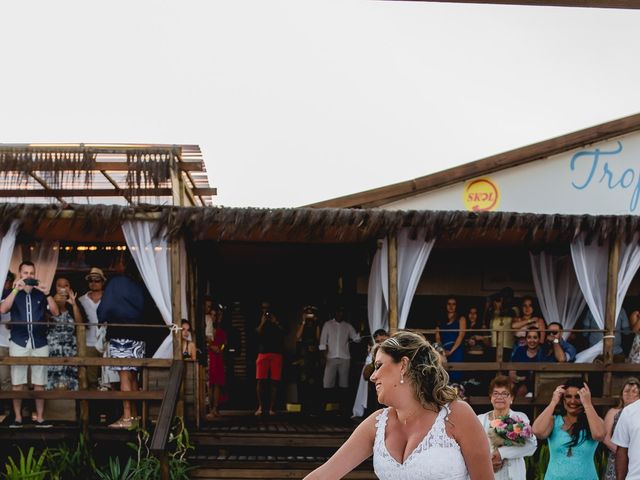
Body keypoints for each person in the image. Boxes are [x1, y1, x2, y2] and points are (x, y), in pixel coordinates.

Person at [303, 331, 493, 480]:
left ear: (403, 365)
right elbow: (323, 475)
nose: (372, 376)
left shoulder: (457, 415)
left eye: (378, 366)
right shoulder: (376, 424)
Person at [0, 261, 60, 428]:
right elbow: (3, 309)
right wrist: (15, 289)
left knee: (39, 382)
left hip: (40, 342)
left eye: (31, 273)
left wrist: (48, 294)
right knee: (17, 382)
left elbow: (55, 312)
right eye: (25, 273)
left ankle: (40, 418)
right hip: (18, 341)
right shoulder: (12, 292)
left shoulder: (41, 294)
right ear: (20, 274)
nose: (28, 276)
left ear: (35, 274)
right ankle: (18, 418)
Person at [97, 271, 147, 429]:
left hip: (120, 335)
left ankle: (127, 418)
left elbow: (103, 310)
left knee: (124, 377)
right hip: (138, 335)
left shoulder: (114, 284)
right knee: (133, 377)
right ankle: (134, 415)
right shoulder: (138, 285)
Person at [532, 378, 605, 480]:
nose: (572, 401)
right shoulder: (554, 420)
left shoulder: (594, 421)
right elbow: (537, 431)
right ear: (563, 399)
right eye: (568, 396)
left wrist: (588, 404)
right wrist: (553, 402)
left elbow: (599, 435)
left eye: (578, 397)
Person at [477, 375, 537, 480]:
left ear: (512, 398)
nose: (499, 397)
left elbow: (531, 445)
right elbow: (473, 449)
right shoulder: (480, 420)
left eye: (505, 394)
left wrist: (501, 453)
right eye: (496, 393)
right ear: (491, 397)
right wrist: (487, 463)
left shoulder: (520, 417)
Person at [318, 305, 360, 415]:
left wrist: (361, 330)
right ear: (335, 313)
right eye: (338, 312)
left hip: (345, 357)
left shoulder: (348, 326)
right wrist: (323, 356)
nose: (340, 314)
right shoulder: (328, 324)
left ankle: (343, 408)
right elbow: (322, 342)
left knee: (344, 383)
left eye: (342, 312)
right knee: (327, 383)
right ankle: (324, 407)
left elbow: (356, 339)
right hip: (330, 357)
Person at [46, 276, 81, 391]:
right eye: (59, 285)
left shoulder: (73, 306)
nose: (62, 288)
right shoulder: (48, 303)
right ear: (54, 288)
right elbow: (46, 321)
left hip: (70, 351)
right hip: (53, 350)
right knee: (52, 381)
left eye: (65, 285)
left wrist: (74, 304)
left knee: (70, 381)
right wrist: (54, 303)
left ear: (70, 288)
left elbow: (80, 324)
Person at [77, 267, 109, 389]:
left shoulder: (109, 298)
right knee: (91, 379)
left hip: (107, 343)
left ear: (103, 282)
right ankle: (94, 407)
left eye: (97, 280)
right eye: (91, 280)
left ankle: (108, 408)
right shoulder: (81, 300)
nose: (94, 283)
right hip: (89, 343)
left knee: (108, 378)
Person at [603, 377, 640, 480]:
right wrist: (623, 450)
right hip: (618, 454)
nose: (630, 394)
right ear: (621, 394)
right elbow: (606, 437)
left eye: (634, 392)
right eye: (627, 391)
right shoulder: (614, 412)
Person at [255, 301, 284, 416]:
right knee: (260, 380)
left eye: (267, 308)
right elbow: (256, 333)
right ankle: (260, 407)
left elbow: (285, 331)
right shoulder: (259, 318)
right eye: (263, 308)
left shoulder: (276, 318)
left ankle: (272, 408)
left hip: (276, 352)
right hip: (263, 352)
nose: (265, 310)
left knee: (274, 381)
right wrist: (262, 323)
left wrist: (275, 322)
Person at [352, 328, 388, 419]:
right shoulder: (372, 355)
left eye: (383, 341)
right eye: (378, 341)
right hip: (376, 391)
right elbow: (365, 376)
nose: (380, 344)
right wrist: (374, 360)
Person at [296, 305, 321, 415]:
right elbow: (298, 336)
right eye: (307, 313)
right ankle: (303, 406)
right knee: (303, 381)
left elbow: (318, 338)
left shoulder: (316, 324)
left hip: (313, 356)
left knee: (314, 380)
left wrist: (316, 323)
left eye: (311, 313)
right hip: (304, 355)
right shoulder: (303, 324)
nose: (309, 316)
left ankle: (313, 407)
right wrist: (303, 322)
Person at [435, 296, 466, 382]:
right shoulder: (441, 319)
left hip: (456, 349)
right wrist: (442, 351)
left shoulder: (461, 318)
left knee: (456, 375)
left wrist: (451, 351)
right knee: (444, 376)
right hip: (443, 351)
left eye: (453, 304)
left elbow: (461, 335)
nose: (451, 306)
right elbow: (437, 337)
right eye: (449, 304)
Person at [509, 328, 546, 397]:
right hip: (519, 381)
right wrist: (519, 378)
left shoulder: (543, 351)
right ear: (526, 339)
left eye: (535, 337)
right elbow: (512, 372)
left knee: (522, 390)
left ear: (539, 339)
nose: (532, 340)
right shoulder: (520, 350)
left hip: (537, 383)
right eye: (529, 337)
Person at [206, 304, 226, 418]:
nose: (214, 317)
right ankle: (209, 409)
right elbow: (206, 342)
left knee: (217, 384)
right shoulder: (207, 328)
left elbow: (224, 344)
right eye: (212, 315)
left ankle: (215, 408)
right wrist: (211, 347)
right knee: (210, 384)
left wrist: (220, 348)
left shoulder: (220, 330)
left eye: (215, 315)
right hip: (210, 356)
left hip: (218, 357)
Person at [0, 271, 15, 417]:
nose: (6, 283)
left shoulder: (16, 296)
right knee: (4, 379)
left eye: (8, 280)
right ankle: (7, 411)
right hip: (1, 343)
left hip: (16, 343)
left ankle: (17, 412)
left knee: (18, 379)